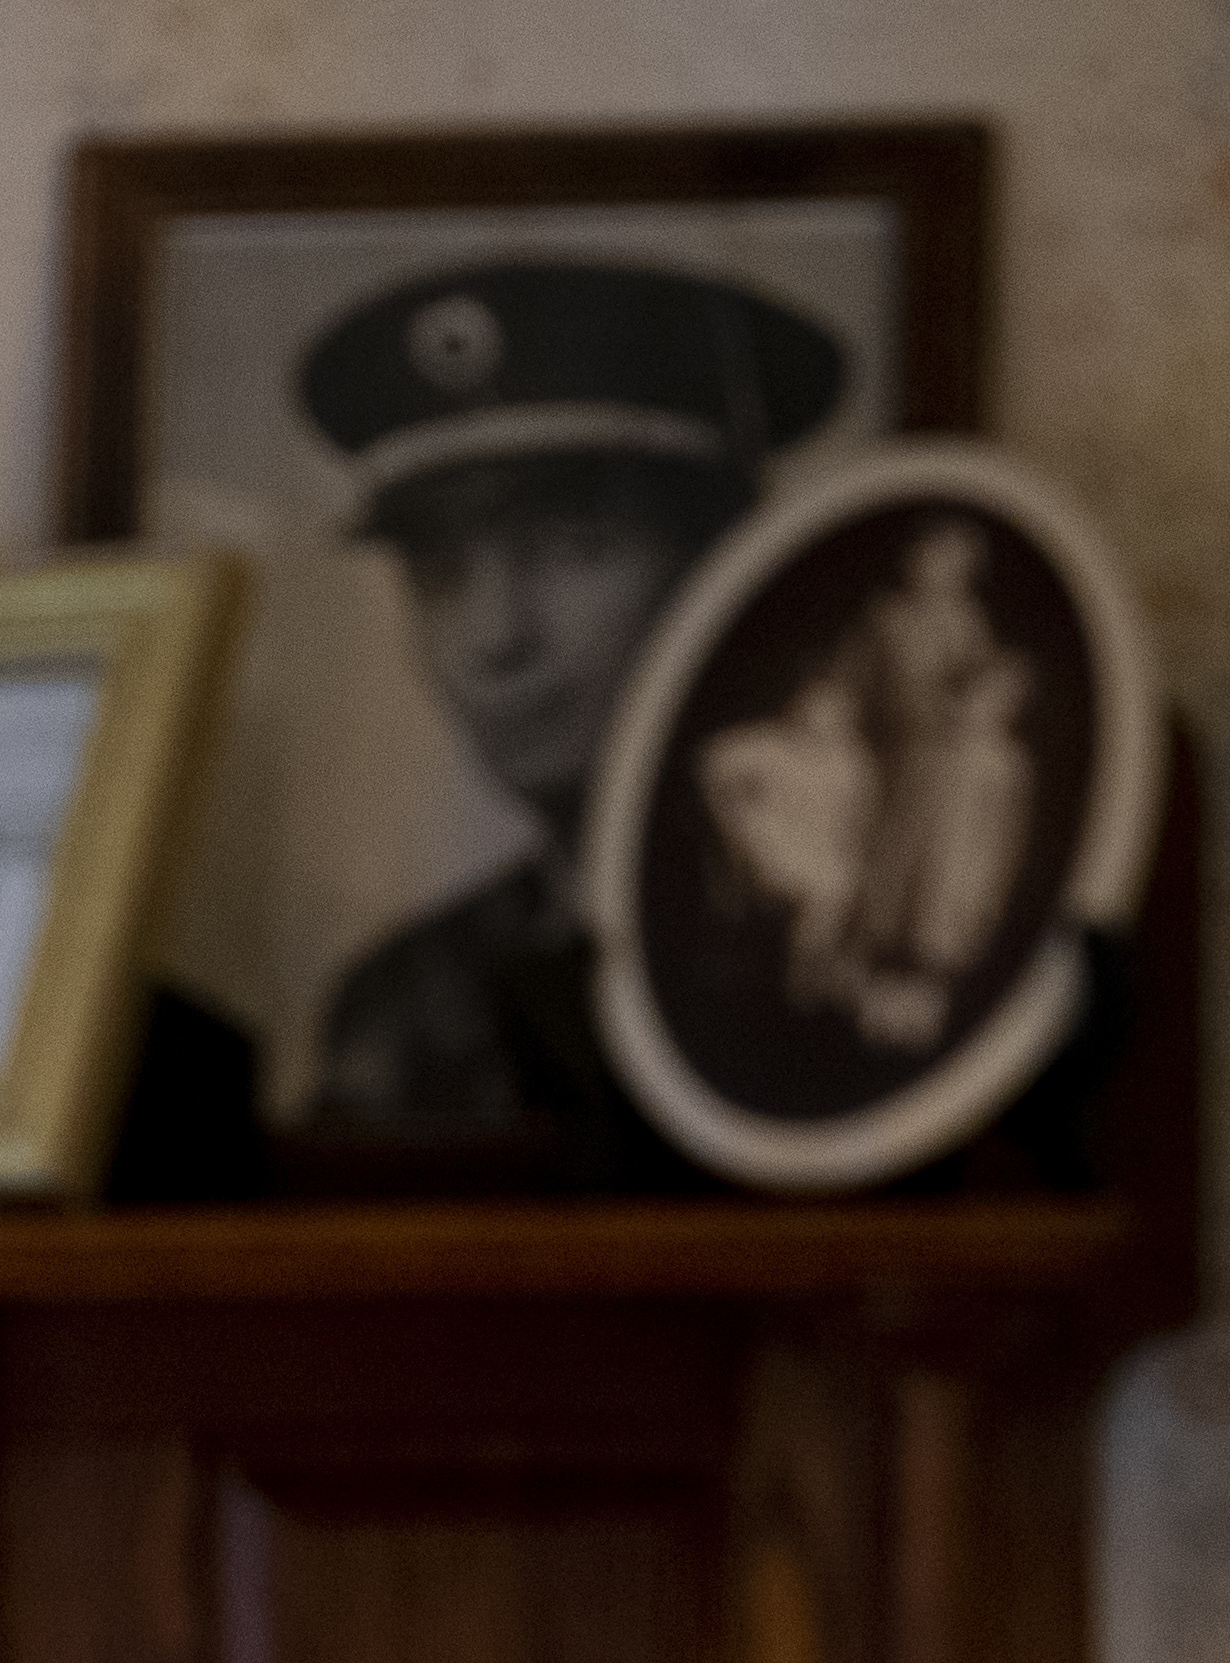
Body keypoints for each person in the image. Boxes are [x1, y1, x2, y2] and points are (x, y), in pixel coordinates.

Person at [292, 255, 844, 1140]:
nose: (496, 636)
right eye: (439, 572)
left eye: (574, 547)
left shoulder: (852, 946)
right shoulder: (401, 1003)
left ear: (726, 565)